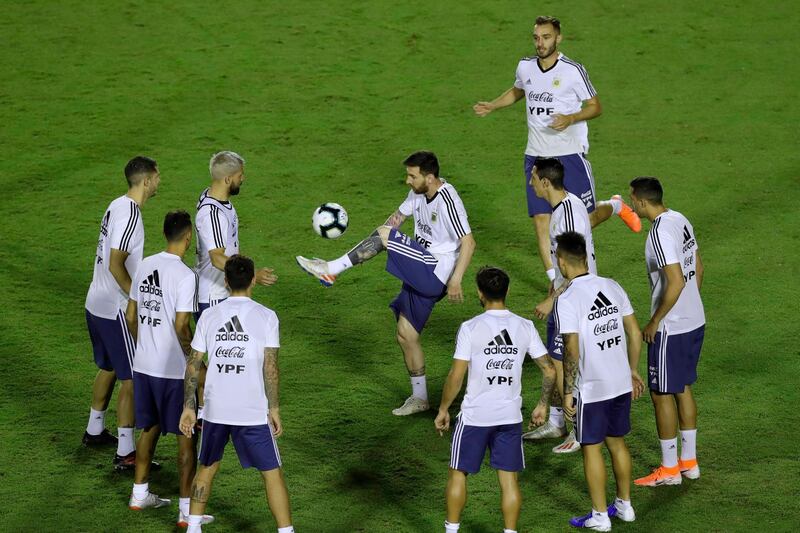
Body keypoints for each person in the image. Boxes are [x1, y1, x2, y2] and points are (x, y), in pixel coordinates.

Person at [296, 151, 476, 416]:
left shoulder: (448, 200)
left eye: (412, 176)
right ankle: (420, 398)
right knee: (406, 334)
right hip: (422, 267)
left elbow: (469, 242)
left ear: (430, 177)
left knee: (384, 235)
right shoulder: (417, 193)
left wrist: (457, 280)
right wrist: (377, 241)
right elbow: (395, 221)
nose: (407, 180)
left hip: (434, 270)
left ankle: (330, 270)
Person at [473, 15, 640, 276]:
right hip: (536, 156)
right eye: (537, 37)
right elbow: (519, 90)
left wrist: (571, 118)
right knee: (542, 222)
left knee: (583, 221)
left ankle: (616, 205)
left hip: (569, 154)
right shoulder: (525, 67)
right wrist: (493, 105)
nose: (540, 43)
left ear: (558, 38)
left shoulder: (573, 71)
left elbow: (596, 107)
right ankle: (555, 281)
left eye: (546, 37)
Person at [434, 266, 555, 533]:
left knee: (458, 473)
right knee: (509, 481)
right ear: (507, 291)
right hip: (509, 417)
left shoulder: (470, 328)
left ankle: (451, 530)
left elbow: (456, 375)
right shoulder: (524, 326)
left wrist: (443, 408)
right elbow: (549, 369)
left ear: (480, 293)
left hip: (475, 416)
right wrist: (542, 404)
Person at [179, 255, 293, 533]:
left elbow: (194, 364)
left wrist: (189, 406)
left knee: (206, 468)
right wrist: (274, 408)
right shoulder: (267, 317)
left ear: (226, 281)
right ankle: (286, 532)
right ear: (253, 279)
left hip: (216, 410)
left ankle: (193, 528)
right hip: (252, 411)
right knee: (272, 473)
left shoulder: (209, 316)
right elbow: (271, 367)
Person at [124, 210, 213, 528]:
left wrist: (145, 343)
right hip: (174, 371)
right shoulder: (186, 276)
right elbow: (181, 326)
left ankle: (139, 493)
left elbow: (131, 314)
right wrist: (195, 359)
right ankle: (186, 510)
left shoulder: (145, 264)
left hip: (144, 365)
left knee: (149, 428)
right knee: (186, 437)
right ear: (188, 238)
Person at [552, 232, 644, 531]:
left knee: (591, 447)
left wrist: (568, 392)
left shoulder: (567, 299)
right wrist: (632, 370)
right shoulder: (612, 286)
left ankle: (600, 516)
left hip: (592, 388)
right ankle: (625, 506)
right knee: (617, 443)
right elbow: (633, 331)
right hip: (620, 382)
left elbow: (571, 350)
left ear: (563, 262)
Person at [83, 156, 160, 470]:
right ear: (145, 181)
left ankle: (94, 429)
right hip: (114, 308)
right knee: (131, 378)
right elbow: (116, 262)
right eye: (157, 177)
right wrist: (136, 297)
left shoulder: (116, 205)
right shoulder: (131, 215)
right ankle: (126, 453)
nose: (159, 181)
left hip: (95, 302)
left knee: (111, 367)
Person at [628, 177, 705, 487]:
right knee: (682, 387)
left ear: (643, 202)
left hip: (671, 329)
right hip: (695, 319)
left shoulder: (658, 233)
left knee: (661, 394)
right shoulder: (680, 219)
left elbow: (675, 280)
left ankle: (670, 469)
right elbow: (698, 268)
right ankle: (690, 463)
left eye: (633, 199)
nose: (632, 204)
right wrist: (689, 305)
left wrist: (655, 320)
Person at [194, 150, 278, 422]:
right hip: (214, 296)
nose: (244, 179)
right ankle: (206, 413)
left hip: (221, 292)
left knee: (226, 358)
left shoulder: (217, 200)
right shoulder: (212, 214)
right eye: (241, 176)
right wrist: (249, 274)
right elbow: (217, 256)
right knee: (218, 361)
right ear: (228, 178)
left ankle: (213, 410)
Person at [522, 158, 594, 453]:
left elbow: (579, 267)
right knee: (556, 359)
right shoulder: (564, 208)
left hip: (575, 300)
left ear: (546, 182)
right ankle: (556, 421)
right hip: (563, 295)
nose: (531, 184)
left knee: (570, 364)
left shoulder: (567, 216)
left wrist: (552, 299)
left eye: (534, 178)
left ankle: (578, 431)